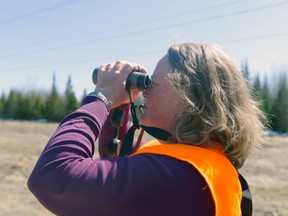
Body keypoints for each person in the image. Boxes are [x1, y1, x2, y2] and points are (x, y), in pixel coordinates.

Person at [28, 43, 265, 216]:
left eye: (154, 83)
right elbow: (119, 156)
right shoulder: (201, 165)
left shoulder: (176, 176)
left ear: (189, 96)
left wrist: (101, 97)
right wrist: (118, 107)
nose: (145, 91)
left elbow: (52, 176)